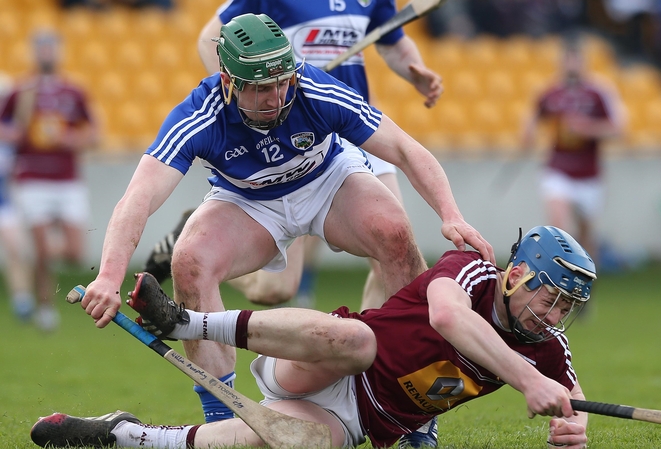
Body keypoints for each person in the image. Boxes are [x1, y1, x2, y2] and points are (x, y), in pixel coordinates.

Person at [80, 11, 492, 433]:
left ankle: (418, 422)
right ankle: (222, 421)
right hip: (249, 199)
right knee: (190, 260)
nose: (276, 98)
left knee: (394, 231)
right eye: (260, 90)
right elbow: (139, 196)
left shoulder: (315, 88)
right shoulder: (200, 113)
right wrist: (110, 276)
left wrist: (451, 215)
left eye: (281, 84)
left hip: (329, 181)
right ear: (228, 83)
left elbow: (405, 150)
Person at [32, 225, 594, 449]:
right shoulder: (471, 269)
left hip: (359, 421)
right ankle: (186, 323)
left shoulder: (547, 346)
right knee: (359, 341)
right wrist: (524, 378)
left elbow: (574, 401)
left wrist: (574, 427)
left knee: (297, 442)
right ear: (517, 276)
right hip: (323, 362)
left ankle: (125, 436)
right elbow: (448, 317)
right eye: (552, 298)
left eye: (567, 307)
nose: (555, 315)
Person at [145, 0, 445, 312]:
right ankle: (191, 243)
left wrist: (416, 71)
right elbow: (209, 38)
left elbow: (392, 41)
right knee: (276, 290)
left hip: (357, 129)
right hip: (292, 137)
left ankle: (377, 352)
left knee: (394, 250)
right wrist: (241, 98)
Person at [0, 29, 97, 332]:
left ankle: (34, 262)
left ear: (57, 51)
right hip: (32, 178)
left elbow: (95, 133)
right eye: (40, 47)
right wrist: (17, 133)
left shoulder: (73, 91)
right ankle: (45, 307)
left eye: (50, 47)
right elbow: (5, 129)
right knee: (43, 246)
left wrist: (70, 138)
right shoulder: (21, 91)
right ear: (34, 52)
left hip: (67, 179)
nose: (46, 53)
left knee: (76, 253)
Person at [519, 35, 624, 267]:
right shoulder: (551, 92)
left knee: (586, 235)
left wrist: (586, 129)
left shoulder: (599, 91)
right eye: (567, 59)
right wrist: (528, 134)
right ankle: (560, 284)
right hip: (558, 169)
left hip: (589, 174)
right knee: (558, 228)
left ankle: (587, 287)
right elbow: (532, 118)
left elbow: (618, 129)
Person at [0, 73, 36, 323]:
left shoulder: (10, 132)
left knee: (16, 248)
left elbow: (22, 125)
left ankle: (22, 299)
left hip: (3, 198)